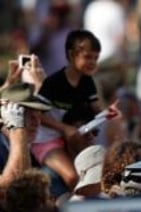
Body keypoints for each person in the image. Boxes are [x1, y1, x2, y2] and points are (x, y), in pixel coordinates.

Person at [33, 29, 103, 191]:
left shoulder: (87, 82)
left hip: (71, 138)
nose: (92, 62)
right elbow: (37, 114)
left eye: (95, 58)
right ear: (72, 55)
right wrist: (64, 129)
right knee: (72, 177)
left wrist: (104, 116)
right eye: (87, 57)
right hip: (46, 139)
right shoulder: (54, 83)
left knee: (94, 168)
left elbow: (96, 108)